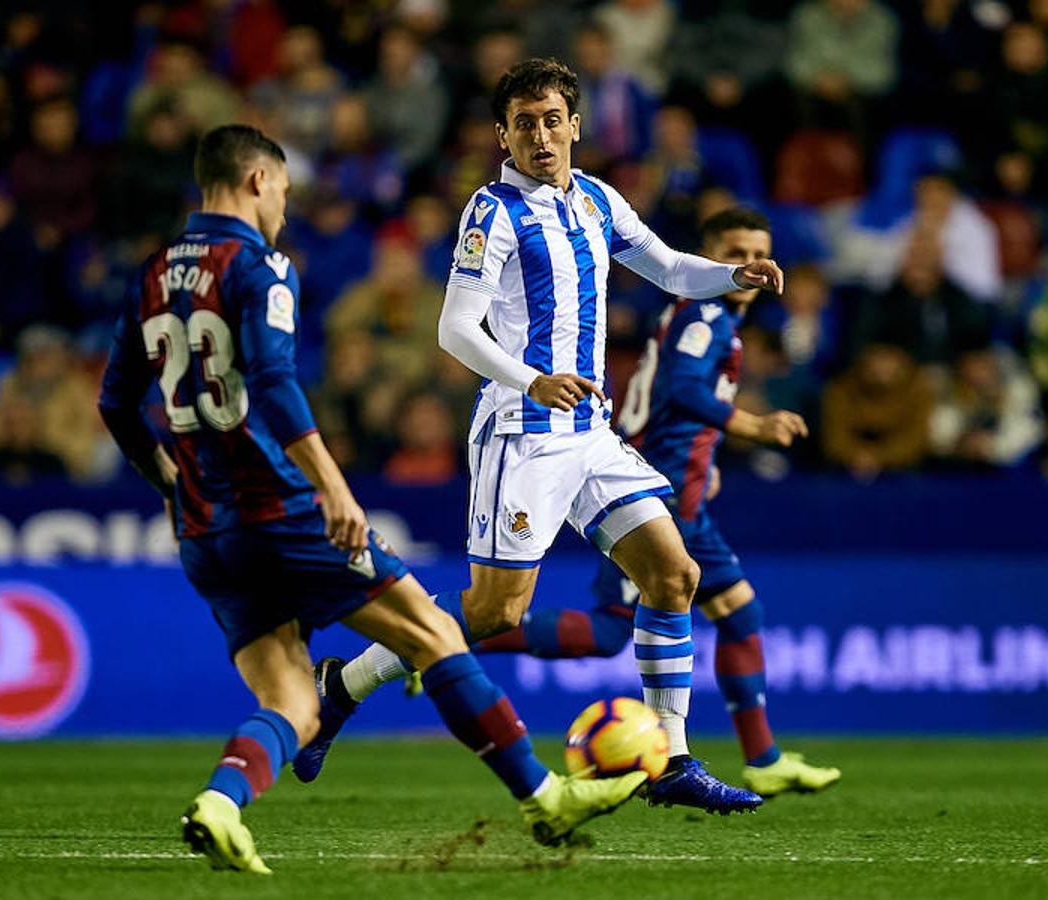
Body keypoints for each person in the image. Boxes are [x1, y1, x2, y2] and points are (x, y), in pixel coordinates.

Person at [97, 124, 646, 875]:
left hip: (203, 526)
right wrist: (332, 489)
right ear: (259, 181)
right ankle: (544, 796)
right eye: (284, 194)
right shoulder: (261, 267)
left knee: (292, 699)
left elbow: (117, 405)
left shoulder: (154, 273)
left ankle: (220, 804)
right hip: (280, 507)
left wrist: (169, 482)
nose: (283, 211)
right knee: (435, 632)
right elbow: (278, 387)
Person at [297, 59, 785, 814]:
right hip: (522, 430)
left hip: (589, 432)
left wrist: (735, 276)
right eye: (524, 123)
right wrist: (531, 380)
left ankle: (671, 760)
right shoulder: (492, 211)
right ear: (505, 134)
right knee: (495, 616)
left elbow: (669, 269)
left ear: (575, 126)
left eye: (552, 119)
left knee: (674, 576)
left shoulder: (595, 198)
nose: (541, 134)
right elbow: (454, 328)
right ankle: (341, 684)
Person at [472, 209, 842, 797]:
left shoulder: (714, 319)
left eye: (758, 251)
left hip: (681, 489)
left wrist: (709, 461)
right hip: (656, 494)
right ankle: (447, 640)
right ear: (711, 256)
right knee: (608, 631)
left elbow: (671, 405)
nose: (748, 264)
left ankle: (758, 757)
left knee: (732, 613)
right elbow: (684, 391)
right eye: (734, 251)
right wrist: (754, 426)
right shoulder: (705, 316)